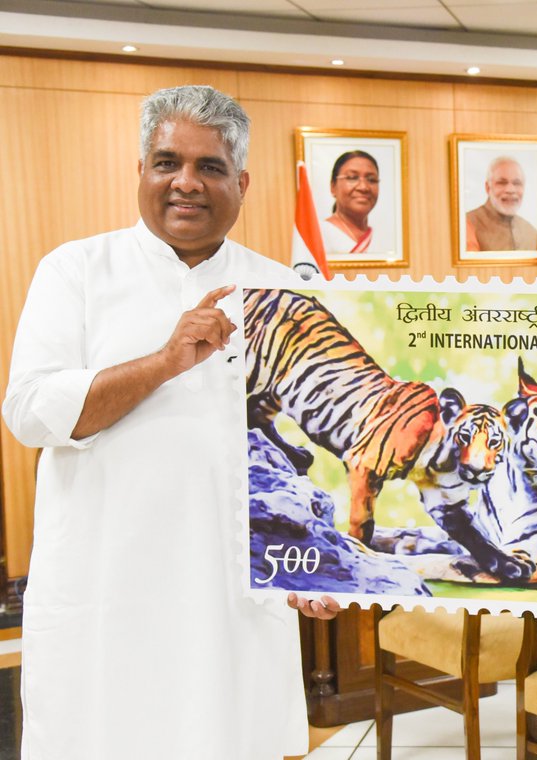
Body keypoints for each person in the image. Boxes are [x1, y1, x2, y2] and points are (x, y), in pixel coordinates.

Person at [2, 85, 340, 759]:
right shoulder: (76, 271)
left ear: (240, 182)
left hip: (229, 616)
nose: (186, 183)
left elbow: (312, 452)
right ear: (140, 172)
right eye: (167, 163)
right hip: (107, 601)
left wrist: (316, 570)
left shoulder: (283, 294)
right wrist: (164, 360)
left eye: (209, 167)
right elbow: (30, 414)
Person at [465, 155, 537, 251]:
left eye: (517, 183)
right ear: (488, 188)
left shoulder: (531, 232)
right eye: (502, 183)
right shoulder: (468, 224)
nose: (510, 190)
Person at [322, 149, 380, 254]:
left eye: (371, 179)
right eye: (352, 178)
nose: (363, 187)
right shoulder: (318, 234)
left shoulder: (384, 238)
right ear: (333, 187)